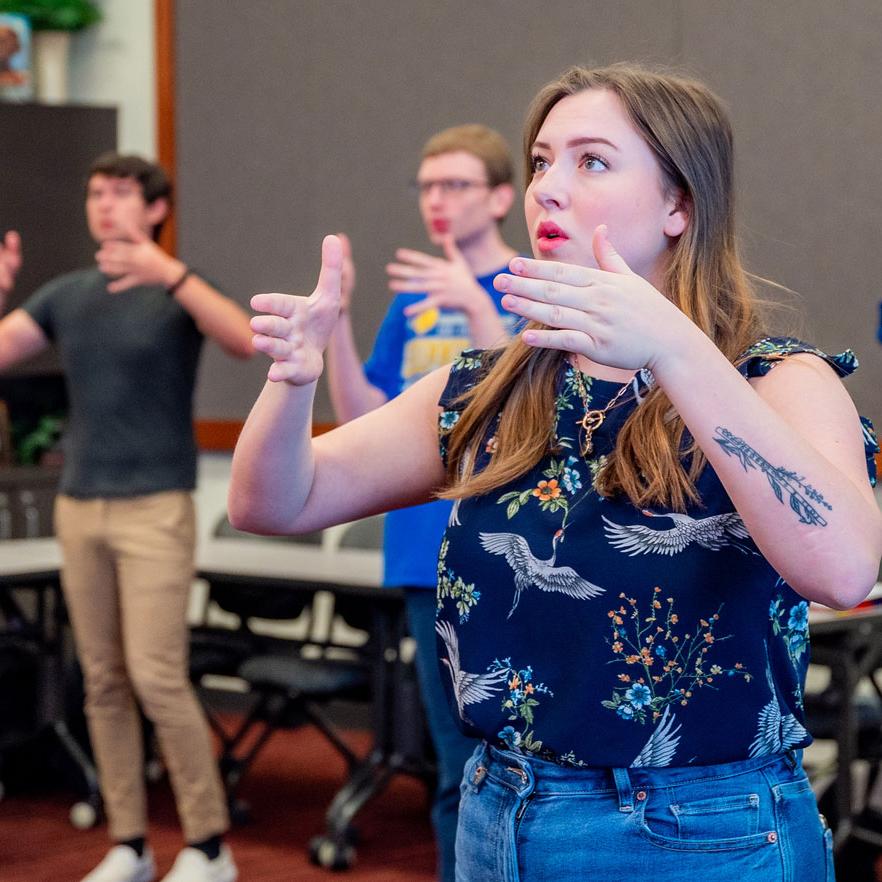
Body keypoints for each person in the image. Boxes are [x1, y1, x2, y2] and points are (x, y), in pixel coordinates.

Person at [228, 64, 882, 882]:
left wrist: (675, 346)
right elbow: (275, 501)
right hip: (501, 813)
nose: (548, 189)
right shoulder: (491, 387)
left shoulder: (778, 380)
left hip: (703, 832)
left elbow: (844, 566)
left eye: (592, 161)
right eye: (541, 162)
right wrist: (292, 383)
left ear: (681, 205)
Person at [0, 153, 253, 882]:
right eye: (94, 194)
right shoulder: (68, 294)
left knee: (156, 675)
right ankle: (129, 842)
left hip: (155, 508)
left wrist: (167, 273)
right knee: (102, 679)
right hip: (81, 507)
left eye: (119, 194)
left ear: (154, 209)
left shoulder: (178, 291)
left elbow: (242, 339)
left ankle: (208, 845)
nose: (103, 206)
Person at [325, 123, 519, 882]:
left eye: (456, 185)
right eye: (427, 186)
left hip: (509, 556)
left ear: (502, 196)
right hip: (421, 555)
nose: (437, 201)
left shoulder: (532, 283)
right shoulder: (411, 303)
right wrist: (337, 320)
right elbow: (362, 417)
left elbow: (528, 409)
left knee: (519, 766)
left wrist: (476, 307)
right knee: (457, 767)